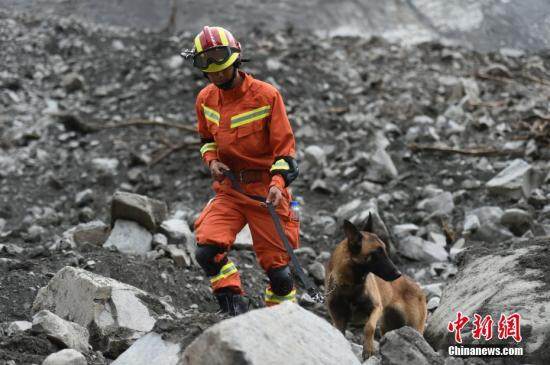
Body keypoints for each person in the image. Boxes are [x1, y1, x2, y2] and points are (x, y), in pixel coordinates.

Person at [182, 26, 300, 316]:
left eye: (221, 66)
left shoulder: (267, 96)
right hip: (230, 191)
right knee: (206, 252)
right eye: (208, 69)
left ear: (236, 59)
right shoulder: (204, 99)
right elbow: (205, 140)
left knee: (281, 275)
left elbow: (286, 151)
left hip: (266, 194)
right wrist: (211, 161)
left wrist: (277, 183)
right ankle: (233, 305)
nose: (216, 74)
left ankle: (281, 320)